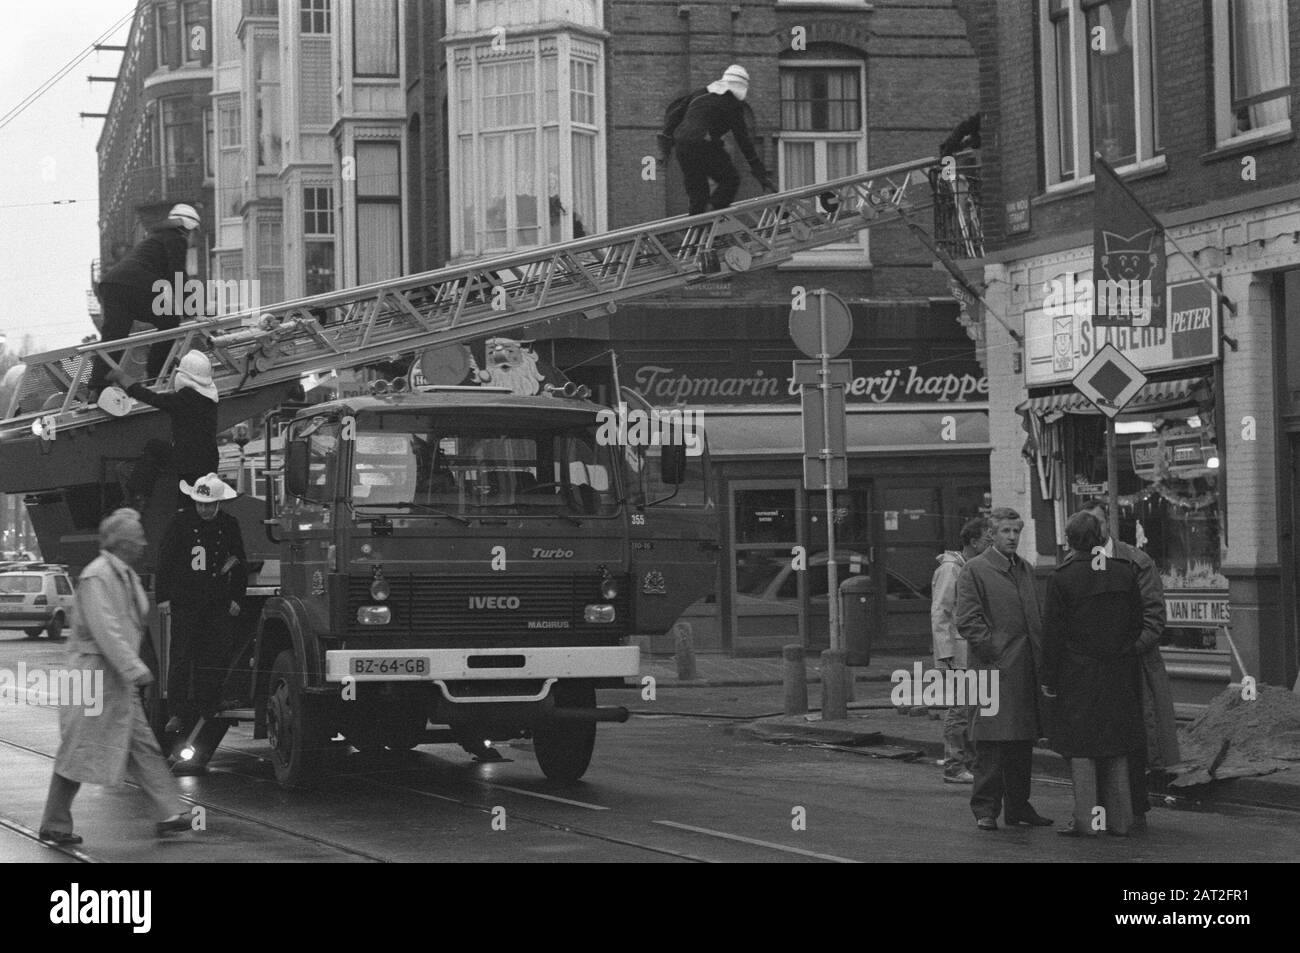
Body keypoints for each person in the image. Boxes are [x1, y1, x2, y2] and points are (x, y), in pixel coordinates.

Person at [39, 509, 195, 845]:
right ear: (124, 543)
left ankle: (169, 811)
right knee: (78, 748)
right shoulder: (98, 576)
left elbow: (123, 627)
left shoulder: (124, 574)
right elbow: (106, 629)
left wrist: (130, 668)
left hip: (114, 676)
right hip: (91, 675)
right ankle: (55, 822)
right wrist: (135, 667)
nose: (144, 542)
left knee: (142, 744)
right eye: (139, 537)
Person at [1042, 510, 1146, 838]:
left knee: (1082, 748)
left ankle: (1088, 821)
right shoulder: (1123, 572)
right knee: (1116, 745)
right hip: (1117, 670)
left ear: (1070, 540)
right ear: (1100, 538)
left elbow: (1053, 634)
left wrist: (1049, 678)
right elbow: (1137, 623)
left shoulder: (1061, 578)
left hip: (1078, 673)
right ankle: (1121, 820)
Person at [1081, 497, 1180, 827]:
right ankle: (1102, 805)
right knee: (1099, 736)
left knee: (1134, 735)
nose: (1092, 531)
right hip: (1094, 669)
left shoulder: (1136, 560)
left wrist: (1129, 650)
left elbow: (1154, 616)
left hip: (1132, 666)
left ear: (1108, 523)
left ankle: (1135, 805)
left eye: (1096, 523)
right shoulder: (1077, 561)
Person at [955, 506, 1052, 831]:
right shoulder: (976, 570)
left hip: (1024, 669)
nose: (1012, 537)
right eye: (1006, 532)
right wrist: (995, 651)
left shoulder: (1024, 568)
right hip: (992, 672)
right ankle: (986, 809)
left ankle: (1019, 806)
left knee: (1021, 744)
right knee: (992, 745)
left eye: (1016, 532)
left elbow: (1034, 617)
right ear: (991, 535)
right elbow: (968, 620)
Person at [157, 474, 247, 736]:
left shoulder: (229, 524)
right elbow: (165, 559)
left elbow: (238, 560)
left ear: (219, 503)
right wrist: (163, 597)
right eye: (200, 504)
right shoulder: (180, 522)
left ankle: (210, 702)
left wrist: (237, 599)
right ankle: (177, 711)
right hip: (186, 601)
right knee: (182, 655)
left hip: (217, 602)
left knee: (215, 654)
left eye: (210, 505)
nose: (205, 509)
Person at [90, 204, 201, 396]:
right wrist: (191, 312)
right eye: (195, 234)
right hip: (133, 284)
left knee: (115, 337)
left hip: (112, 283)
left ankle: (97, 386)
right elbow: (178, 275)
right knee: (170, 321)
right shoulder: (176, 238)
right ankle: (156, 375)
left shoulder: (155, 238)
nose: (194, 241)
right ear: (189, 227)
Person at [658, 65, 777, 215]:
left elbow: (674, 116)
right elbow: (743, 140)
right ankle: (713, 212)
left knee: (698, 195)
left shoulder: (699, 94)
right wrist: (759, 172)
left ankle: (699, 228)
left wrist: (665, 144)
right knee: (730, 179)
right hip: (704, 143)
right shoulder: (732, 104)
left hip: (682, 145)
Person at [108, 349, 219, 510]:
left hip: (188, 461)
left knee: (154, 447)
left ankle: (138, 497)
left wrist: (123, 378)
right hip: (208, 461)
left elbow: (151, 398)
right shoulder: (209, 399)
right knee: (192, 504)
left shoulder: (184, 399)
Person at [931, 515, 992, 784]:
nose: (991, 542)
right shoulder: (951, 569)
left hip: (969, 648)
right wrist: (945, 652)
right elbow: (941, 611)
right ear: (973, 541)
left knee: (971, 707)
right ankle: (954, 764)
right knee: (961, 707)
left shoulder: (972, 566)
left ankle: (965, 760)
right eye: (987, 538)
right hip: (957, 650)